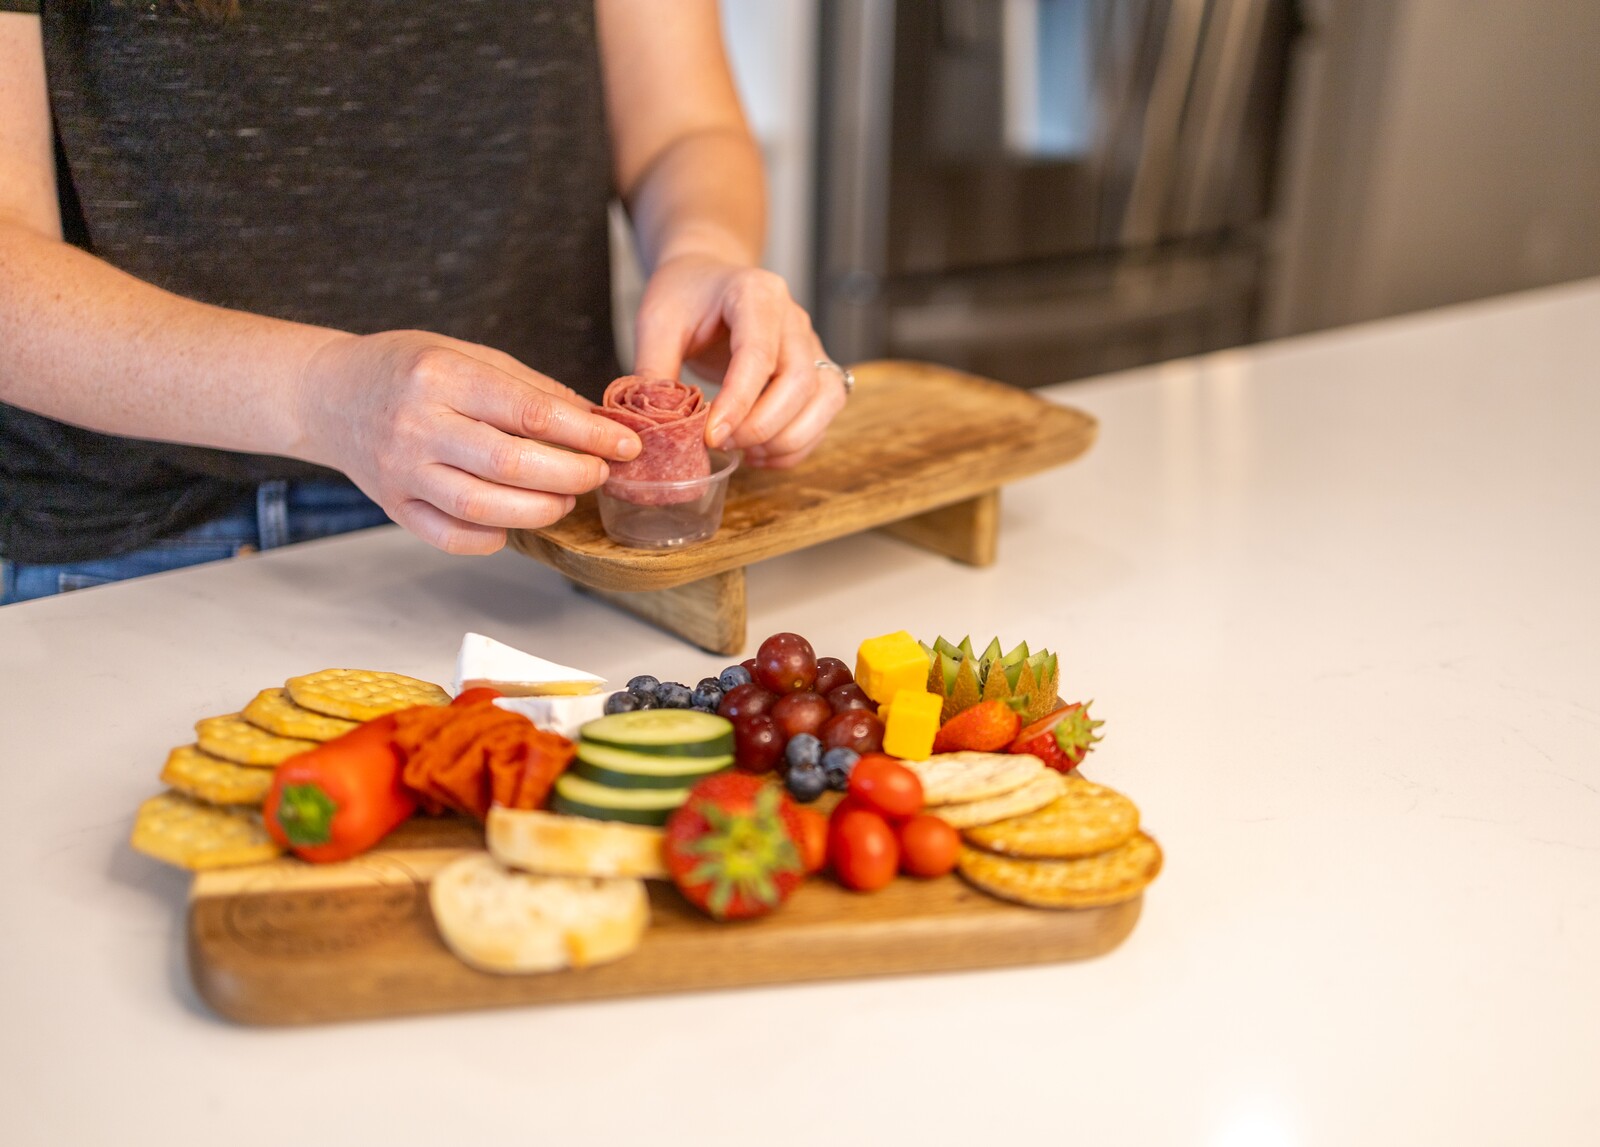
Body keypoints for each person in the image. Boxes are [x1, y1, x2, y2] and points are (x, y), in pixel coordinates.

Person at [0, 0, 847, 604]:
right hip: (137, 552)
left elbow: (683, 125)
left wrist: (704, 248)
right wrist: (317, 392)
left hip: (545, 542)